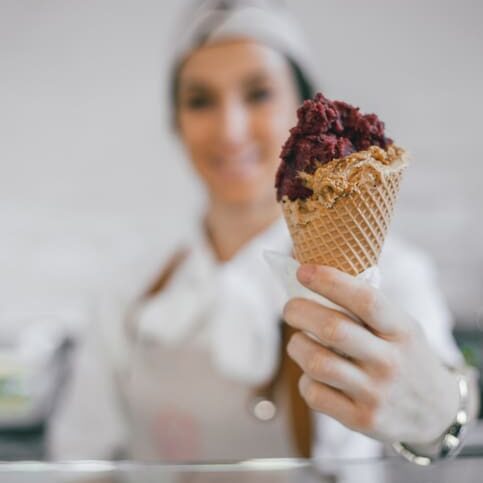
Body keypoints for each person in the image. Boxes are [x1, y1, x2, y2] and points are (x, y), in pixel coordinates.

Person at [47, 0, 478, 462]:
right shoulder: (129, 289)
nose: (230, 131)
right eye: (200, 101)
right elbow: (79, 459)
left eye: (258, 94)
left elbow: (452, 411)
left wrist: (437, 414)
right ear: (177, 124)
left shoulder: (387, 273)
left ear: (303, 112)